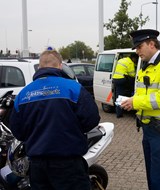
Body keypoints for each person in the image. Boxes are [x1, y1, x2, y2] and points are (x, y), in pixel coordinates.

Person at [9, 48, 101, 190]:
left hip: (38, 166)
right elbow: (92, 119)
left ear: (39, 67)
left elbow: (18, 131)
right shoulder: (74, 88)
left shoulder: (23, 95)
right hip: (69, 164)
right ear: (60, 65)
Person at [121, 29, 160, 190]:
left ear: (151, 44)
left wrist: (136, 102)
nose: (137, 51)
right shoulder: (146, 65)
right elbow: (146, 94)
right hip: (148, 127)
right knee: (152, 176)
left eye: (139, 46)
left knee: (159, 178)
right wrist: (132, 102)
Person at [112, 54, 138, 118]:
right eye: (136, 59)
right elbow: (133, 75)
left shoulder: (122, 59)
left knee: (118, 96)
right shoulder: (130, 63)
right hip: (121, 80)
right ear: (133, 58)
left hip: (115, 79)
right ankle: (119, 113)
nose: (136, 61)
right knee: (121, 97)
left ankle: (118, 112)